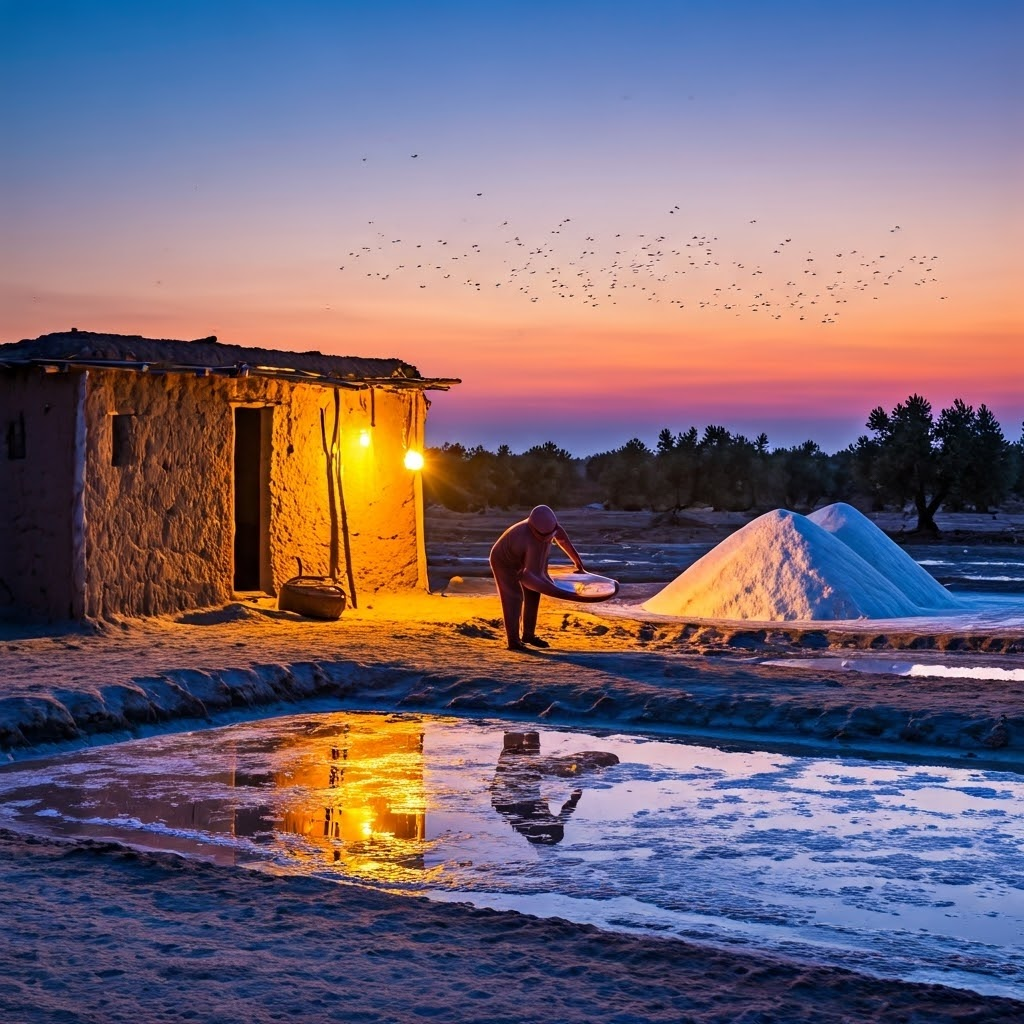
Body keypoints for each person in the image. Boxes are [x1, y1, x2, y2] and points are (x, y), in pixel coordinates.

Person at [488, 505, 585, 651]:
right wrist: (559, 591)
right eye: (542, 535)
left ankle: (528, 635)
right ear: (533, 528)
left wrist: (578, 563)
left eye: (550, 534)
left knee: (533, 595)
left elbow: (564, 542)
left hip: (521, 560)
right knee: (513, 597)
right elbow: (532, 576)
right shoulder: (527, 538)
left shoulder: (554, 528)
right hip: (503, 561)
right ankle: (513, 641)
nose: (546, 538)